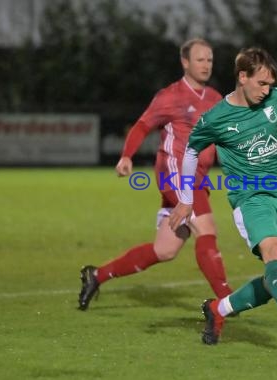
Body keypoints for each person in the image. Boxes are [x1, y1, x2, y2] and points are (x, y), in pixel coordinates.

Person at [169, 47, 277, 345]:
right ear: (242, 76)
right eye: (261, 83)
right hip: (250, 198)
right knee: (273, 253)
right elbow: (192, 151)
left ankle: (217, 308)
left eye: (270, 85)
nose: (267, 90)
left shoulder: (274, 97)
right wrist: (186, 199)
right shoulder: (216, 119)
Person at [78, 38, 233, 310]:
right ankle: (227, 300)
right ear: (185, 62)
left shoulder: (215, 99)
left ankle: (97, 275)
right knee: (206, 227)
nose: (206, 65)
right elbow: (141, 126)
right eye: (200, 59)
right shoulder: (170, 95)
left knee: (165, 249)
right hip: (176, 175)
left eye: (210, 59)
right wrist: (127, 155)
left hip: (197, 178)